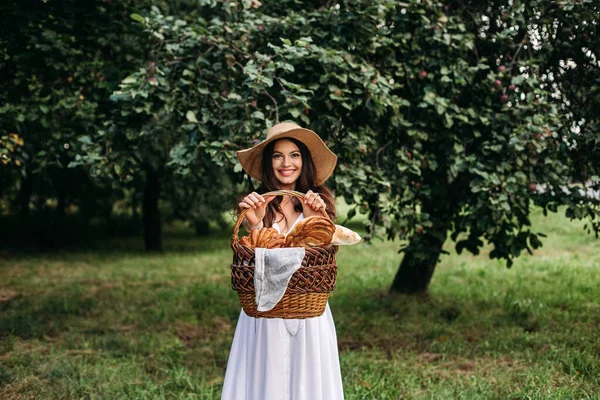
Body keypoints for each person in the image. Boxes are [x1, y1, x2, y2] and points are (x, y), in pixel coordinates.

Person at [221, 122, 344, 400]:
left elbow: (321, 260)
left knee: (308, 381)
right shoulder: (258, 204)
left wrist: (316, 219)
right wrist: (255, 225)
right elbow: (254, 260)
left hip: (308, 310)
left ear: (305, 160)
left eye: (294, 155)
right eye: (277, 155)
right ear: (269, 161)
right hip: (265, 311)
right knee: (268, 378)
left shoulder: (318, 201)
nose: (286, 163)